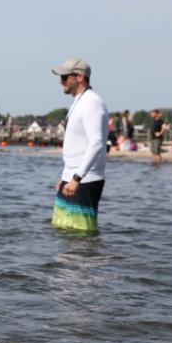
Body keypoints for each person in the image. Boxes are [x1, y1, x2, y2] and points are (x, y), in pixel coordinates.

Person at [51, 57, 109, 233]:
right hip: (71, 176)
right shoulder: (79, 101)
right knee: (62, 228)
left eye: (65, 77)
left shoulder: (92, 102)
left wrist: (77, 177)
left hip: (85, 179)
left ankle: (87, 261)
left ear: (79, 77)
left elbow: (97, 143)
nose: (61, 82)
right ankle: (66, 262)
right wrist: (65, 176)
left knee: (82, 233)